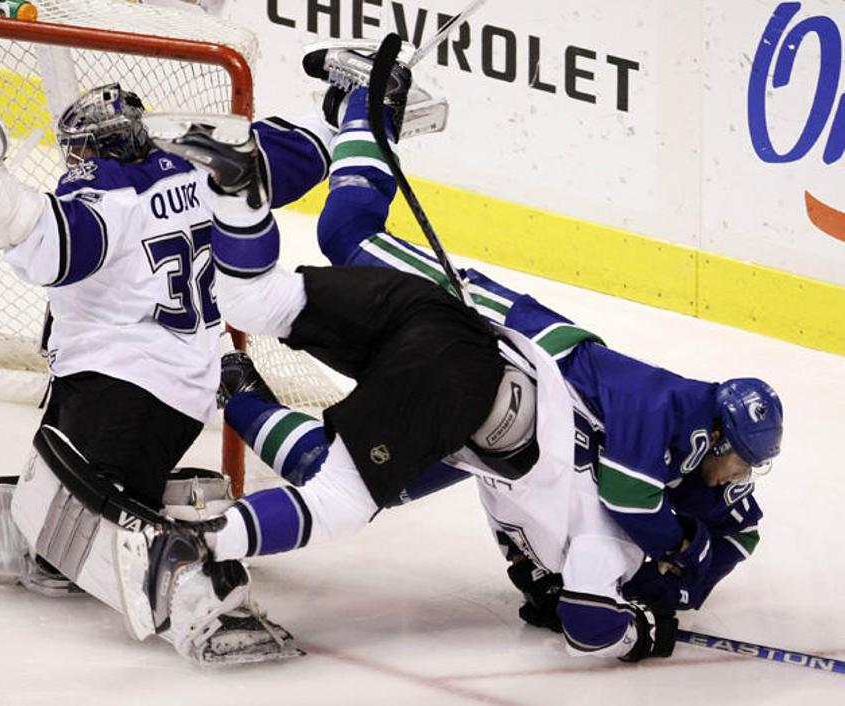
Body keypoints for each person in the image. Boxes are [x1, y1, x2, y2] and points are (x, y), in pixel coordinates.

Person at [114, 45, 783, 664]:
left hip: (476, 413)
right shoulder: (666, 416)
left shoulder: (660, 473)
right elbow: (634, 506)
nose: (740, 475)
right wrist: (675, 563)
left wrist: (666, 571)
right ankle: (372, 100)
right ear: (717, 436)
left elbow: (659, 553)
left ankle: (235, 347)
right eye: (742, 460)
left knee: (293, 385)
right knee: (348, 235)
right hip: (482, 326)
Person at [0, 83, 335, 665]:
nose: (74, 160)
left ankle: (202, 596)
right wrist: (341, 110)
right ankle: (121, 524)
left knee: (85, 506)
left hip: (120, 386)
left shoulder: (107, 191)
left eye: (79, 149)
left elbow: (52, 242)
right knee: (68, 477)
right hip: (180, 389)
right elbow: (296, 152)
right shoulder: (207, 166)